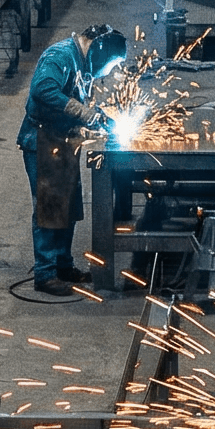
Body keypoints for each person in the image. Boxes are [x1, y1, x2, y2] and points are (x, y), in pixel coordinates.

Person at [17, 24, 127, 295]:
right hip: (43, 140)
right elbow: (42, 90)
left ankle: (63, 266)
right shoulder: (60, 56)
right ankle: (45, 273)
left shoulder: (82, 60)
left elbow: (74, 97)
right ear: (98, 51)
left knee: (68, 206)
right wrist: (84, 113)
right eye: (109, 65)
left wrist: (92, 120)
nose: (106, 72)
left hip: (64, 139)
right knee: (50, 207)